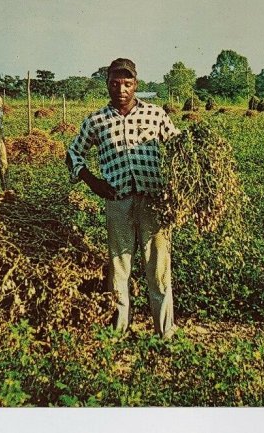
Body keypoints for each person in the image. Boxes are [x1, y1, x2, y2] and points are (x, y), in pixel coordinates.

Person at [66, 58, 179, 339]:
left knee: (158, 269)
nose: (121, 89)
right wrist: (92, 182)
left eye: (127, 83)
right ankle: (118, 332)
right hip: (118, 201)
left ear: (136, 85)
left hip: (153, 200)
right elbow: (72, 153)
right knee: (119, 268)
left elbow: (178, 146)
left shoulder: (156, 115)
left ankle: (164, 333)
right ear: (107, 84)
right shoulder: (96, 121)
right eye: (115, 83)